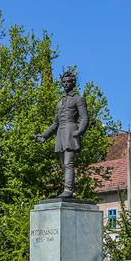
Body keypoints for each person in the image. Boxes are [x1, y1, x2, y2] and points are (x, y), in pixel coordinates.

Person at [33, 70, 89, 198]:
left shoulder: (78, 99)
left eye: (69, 81)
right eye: (64, 82)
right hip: (60, 135)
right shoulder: (60, 103)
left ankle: (68, 189)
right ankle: (70, 189)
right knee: (63, 166)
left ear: (73, 83)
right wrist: (43, 136)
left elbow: (85, 118)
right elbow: (55, 124)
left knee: (69, 163)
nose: (66, 84)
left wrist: (80, 131)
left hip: (71, 132)